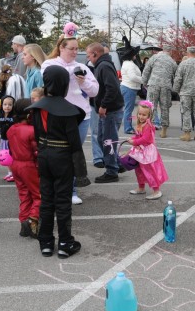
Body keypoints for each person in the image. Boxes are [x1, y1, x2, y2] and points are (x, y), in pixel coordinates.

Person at [26, 65, 87, 258]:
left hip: (44, 156)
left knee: (46, 199)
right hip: (62, 158)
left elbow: (37, 135)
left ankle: (45, 242)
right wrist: (81, 174)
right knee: (62, 201)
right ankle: (64, 242)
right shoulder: (69, 111)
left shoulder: (37, 108)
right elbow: (75, 144)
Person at [42, 22, 98, 204]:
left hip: (82, 117)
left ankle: (72, 190)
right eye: (72, 49)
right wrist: (71, 73)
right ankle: (56, 188)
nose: (75, 52)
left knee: (75, 153)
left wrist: (83, 82)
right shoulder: (50, 63)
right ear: (61, 48)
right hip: (58, 116)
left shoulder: (84, 67)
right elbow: (50, 77)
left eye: (77, 49)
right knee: (58, 153)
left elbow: (95, 91)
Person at [86, 42, 124, 183]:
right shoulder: (102, 65)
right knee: (103, 138)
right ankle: (117, 164)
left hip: (110, 111)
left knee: (108, 140)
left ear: (95, 54)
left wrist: (103, 105)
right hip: (109, 110)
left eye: (89, 55)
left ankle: (112, 171)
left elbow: (112, 88)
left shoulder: (104, 66)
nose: (88, 58)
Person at [6, 98, 40, 239]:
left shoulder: (11, 129)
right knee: (39, 195)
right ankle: (32, 220)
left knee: (24, 194)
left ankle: (23, 222)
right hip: (28, 165)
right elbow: (36, 151)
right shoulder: (32, 130)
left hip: (15, 164)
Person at [125, 101, 168, 200]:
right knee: (138, 169)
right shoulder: (141, 124)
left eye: (144, 115)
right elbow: (138, 135)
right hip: (140, 150)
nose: (141, 116)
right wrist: (133, 139)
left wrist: (134, 142)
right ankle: (141, 187)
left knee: (149, 171)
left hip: (148, 152)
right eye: (140, 114)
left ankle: (156, 190)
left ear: (149, 115)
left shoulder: (148, 126)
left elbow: (146, 139)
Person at [142, 44, 177, 138]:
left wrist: (144, 82)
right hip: (166, 86)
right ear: (170, 51)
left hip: (153, 84)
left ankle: (149, 129)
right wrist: (174, 88)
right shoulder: (172, 61)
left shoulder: (154, 57)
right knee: (164, 108)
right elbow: (176, 76)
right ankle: (164, 130)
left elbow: (146, 70)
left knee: (151, 107)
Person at [119, 45, 143, 134]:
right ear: (131, 55)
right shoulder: (129, 65)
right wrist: (143, 80)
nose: (135, 56)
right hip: (129, 88)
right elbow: (133, 77)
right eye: (134, 54)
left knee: (127, 109)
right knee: (128, 109)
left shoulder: (127, 63)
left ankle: (128, 127)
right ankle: (128, 128)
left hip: (128, 87)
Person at [0, 95, 15, 182]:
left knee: (13, 157)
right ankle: (10, 173)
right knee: (7, 157)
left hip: (13, 141)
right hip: (4, 140)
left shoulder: (14, 116)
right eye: (5, 104)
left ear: (13, 106)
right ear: (2, 105)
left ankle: (14, 174)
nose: (7, 106)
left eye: (10, 105)